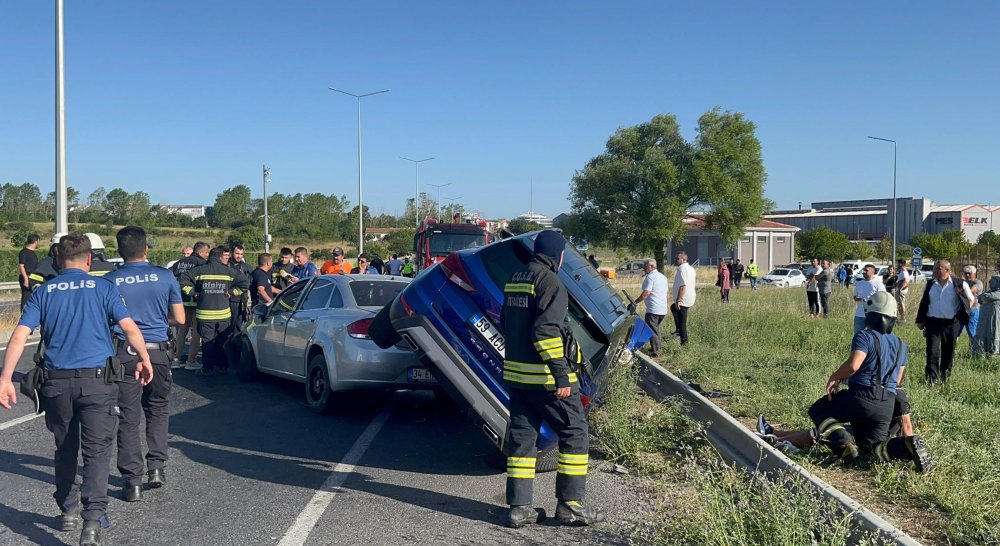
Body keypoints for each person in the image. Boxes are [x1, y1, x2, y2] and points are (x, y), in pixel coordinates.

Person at [0, 234, 154, 546]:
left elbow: (19, 336)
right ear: (88, 260)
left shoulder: (45, 291)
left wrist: (5, 378)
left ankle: (68, 509)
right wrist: (145, 358)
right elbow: (129, 328)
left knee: (65, 448)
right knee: (97, 452)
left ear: (57, 260)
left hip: (56, 384)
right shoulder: (103, 287)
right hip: (98, 384)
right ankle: (93, 522)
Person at [754, 293, 932, 473]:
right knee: (872, 450)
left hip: (861, 396)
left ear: (870, 314)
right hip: (885, 403)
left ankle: (843, 444)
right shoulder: (901, 344)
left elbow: (854, 364)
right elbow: (898, 379)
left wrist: (835, 376)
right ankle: (905, 446)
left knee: (819, 410)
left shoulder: (865, 336)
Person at [500, 230, 604, 528]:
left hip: (518, 378)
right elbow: (545, 332)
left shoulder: (515, 279)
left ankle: (520, 508)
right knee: (575, 432)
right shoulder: (551, 283)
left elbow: (505, 323)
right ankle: (570, 506)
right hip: (546, 380)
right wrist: (562, 376)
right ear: (557, 255)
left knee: (522, 440)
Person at [106, 226, 185, 502]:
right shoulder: (166, 276)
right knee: (158, 409)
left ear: (119, 252)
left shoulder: (110, 280)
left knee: (128, 417)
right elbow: (180, 318)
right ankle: (157, 468)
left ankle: (132, 482)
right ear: (146, 248)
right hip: (158, 352)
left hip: (124, 354)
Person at [178, 246, 250, 376]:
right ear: (219, 257)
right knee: (222, 341)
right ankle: (223, 366)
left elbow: (182, 281)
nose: (227, 259)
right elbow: (245, 283)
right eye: (225, 257)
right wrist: (231, 293)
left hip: (205, 315)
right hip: (224, 314)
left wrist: (194, 293)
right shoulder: (228, 271)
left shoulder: (199, 270)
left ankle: (207, 368)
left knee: (207, 342)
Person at [915, 260, 974, 385]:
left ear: (947, 270)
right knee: (932, 351)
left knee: (948, 352)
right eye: (935, 268)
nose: (934, 271)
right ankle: (932, 380)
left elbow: (970, 300)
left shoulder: (959, 284)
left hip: (951, 323)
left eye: (938, 268)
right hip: (933, 322)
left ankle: (944, 377)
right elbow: (924, 302)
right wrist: (920, 320)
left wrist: (961, 315)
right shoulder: (930, 284)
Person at [169, 241, 209, 370]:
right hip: (196, 299)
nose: (207, 255)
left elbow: (169, 275)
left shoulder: (179, 263)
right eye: (206, 252)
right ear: (201, 252)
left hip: (181, 300)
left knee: (182, 330)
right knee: (196, 330)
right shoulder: (201, 263)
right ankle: (191, 360)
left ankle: (176, 359)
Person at [630, 259, 668, 357]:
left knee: (652, 330)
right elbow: (667, 294)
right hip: (662, 309)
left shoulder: (650, 277)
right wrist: (666, 305)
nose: (643, 268)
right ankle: (656, 347)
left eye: (645, 266)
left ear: (651, 266)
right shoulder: (663, 277)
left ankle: (656, 352)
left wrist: (635, 302)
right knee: (655, 329)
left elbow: (646, 293)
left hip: (653, 309)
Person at [671, 251, 697, 345]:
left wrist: (678, 300)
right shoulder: (691, 268)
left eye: (678, 258)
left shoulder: (682, 270)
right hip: (689, 297)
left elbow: (683, 286)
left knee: (682, 323)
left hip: (683, 299)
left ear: (683, 259)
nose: (676, 260)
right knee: (673, 307)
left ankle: (684, 343)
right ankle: (678, 330)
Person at [852, 264, 885, 333]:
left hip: (873, 315)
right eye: (863, 270)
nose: (864, 272)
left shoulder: (878, 284)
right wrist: (859, 298)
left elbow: (883, 298)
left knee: (873, 335)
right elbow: (855, 297)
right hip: (860, 314)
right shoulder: (860, 283)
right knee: (858, 335)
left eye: (866, 270)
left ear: (872, 272)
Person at [228, 244, 253, 334]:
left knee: (238, 326)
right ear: (231, 253)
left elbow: (250, 282)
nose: (239, 256)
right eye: (237, 253)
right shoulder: (225, 266)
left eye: (241, 254)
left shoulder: (246, 267)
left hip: (241, 302)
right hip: (226, 300)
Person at [972, 275, 1000, 356]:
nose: (990, 282)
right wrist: (982, 296)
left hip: (995, 318)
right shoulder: (989, 292)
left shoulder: (997, 293)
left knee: (994, 333)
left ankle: (993, 353)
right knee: (982, 333)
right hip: (985, 318)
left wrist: (982, 296)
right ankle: (980, 353)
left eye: (992, 280)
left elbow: (987, 296)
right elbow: (981, 297)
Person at [18, 233, 40, 310]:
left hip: (33, 277)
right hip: (27, 277)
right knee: (26, 296)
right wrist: (26, 279)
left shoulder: (32, 253)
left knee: (33, 296)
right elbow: (21, 266)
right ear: (36, 241)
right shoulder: (24, 252)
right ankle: (23, 315)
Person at [961, 265, 983, 341]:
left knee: (972, 332)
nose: (967, 275)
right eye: (965, 273)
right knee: (955, 332)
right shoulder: (964, 282)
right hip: (962, 310)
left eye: (969, 273)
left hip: (972, 310)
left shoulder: (978, 282)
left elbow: (970, 291)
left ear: (974, 273)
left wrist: (960, 291)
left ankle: (974, 351)